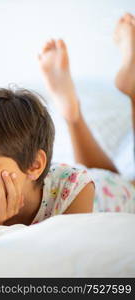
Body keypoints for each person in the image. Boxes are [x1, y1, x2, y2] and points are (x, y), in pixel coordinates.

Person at [0, 13, 135, 226]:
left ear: (35, 165)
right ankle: (72, 114)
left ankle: (130, 90)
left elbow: (62, 256)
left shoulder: (75, 191)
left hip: (111, 191)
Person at [38, 12, 135, 214]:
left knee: (116, 187)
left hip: (89, 186)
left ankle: (73, 117)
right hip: (97, 187)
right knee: (122, 188)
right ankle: (73, 115)